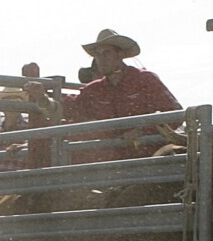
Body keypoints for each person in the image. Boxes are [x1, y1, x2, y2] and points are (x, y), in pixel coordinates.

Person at [65, 29, 179, 162]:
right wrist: (44, 101)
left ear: (120, 55)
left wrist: (143, 131)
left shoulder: (144, 80)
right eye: (97, 54)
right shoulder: (92, 91)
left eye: (106, 53)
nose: (101, 59)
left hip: (150, 160)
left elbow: (175, 114)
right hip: (111, 166)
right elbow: (70, 110)